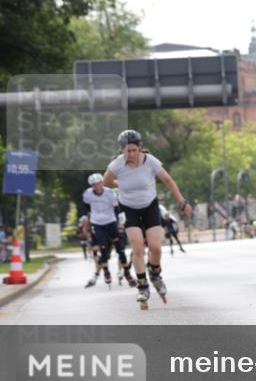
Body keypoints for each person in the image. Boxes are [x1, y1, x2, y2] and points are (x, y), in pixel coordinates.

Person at [103, 129, 192, 310]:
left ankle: (155, 273)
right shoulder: (117, 165)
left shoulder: (150, 162)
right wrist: (120, 183)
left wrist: (182, 202)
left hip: (150, 205)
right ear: (122, 151)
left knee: (156, 248)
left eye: (135, 150)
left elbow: (168, 180)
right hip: (128, 208)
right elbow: (106, 182)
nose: (132, 154)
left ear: (140, 148)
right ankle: (142, 287)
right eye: (128, 151)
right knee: (137, 248)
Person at [81, 173, 121, 289]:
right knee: (99, 252)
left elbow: (118, 209)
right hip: (98, 226)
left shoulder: (112, 194)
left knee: (113, 250)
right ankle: (99, 273)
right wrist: (87, 231)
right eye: (94, 185)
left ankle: (119, 271)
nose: (97, 187)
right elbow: (89, 213)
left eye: (99, 184)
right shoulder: (89, 198)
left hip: (111, 224)